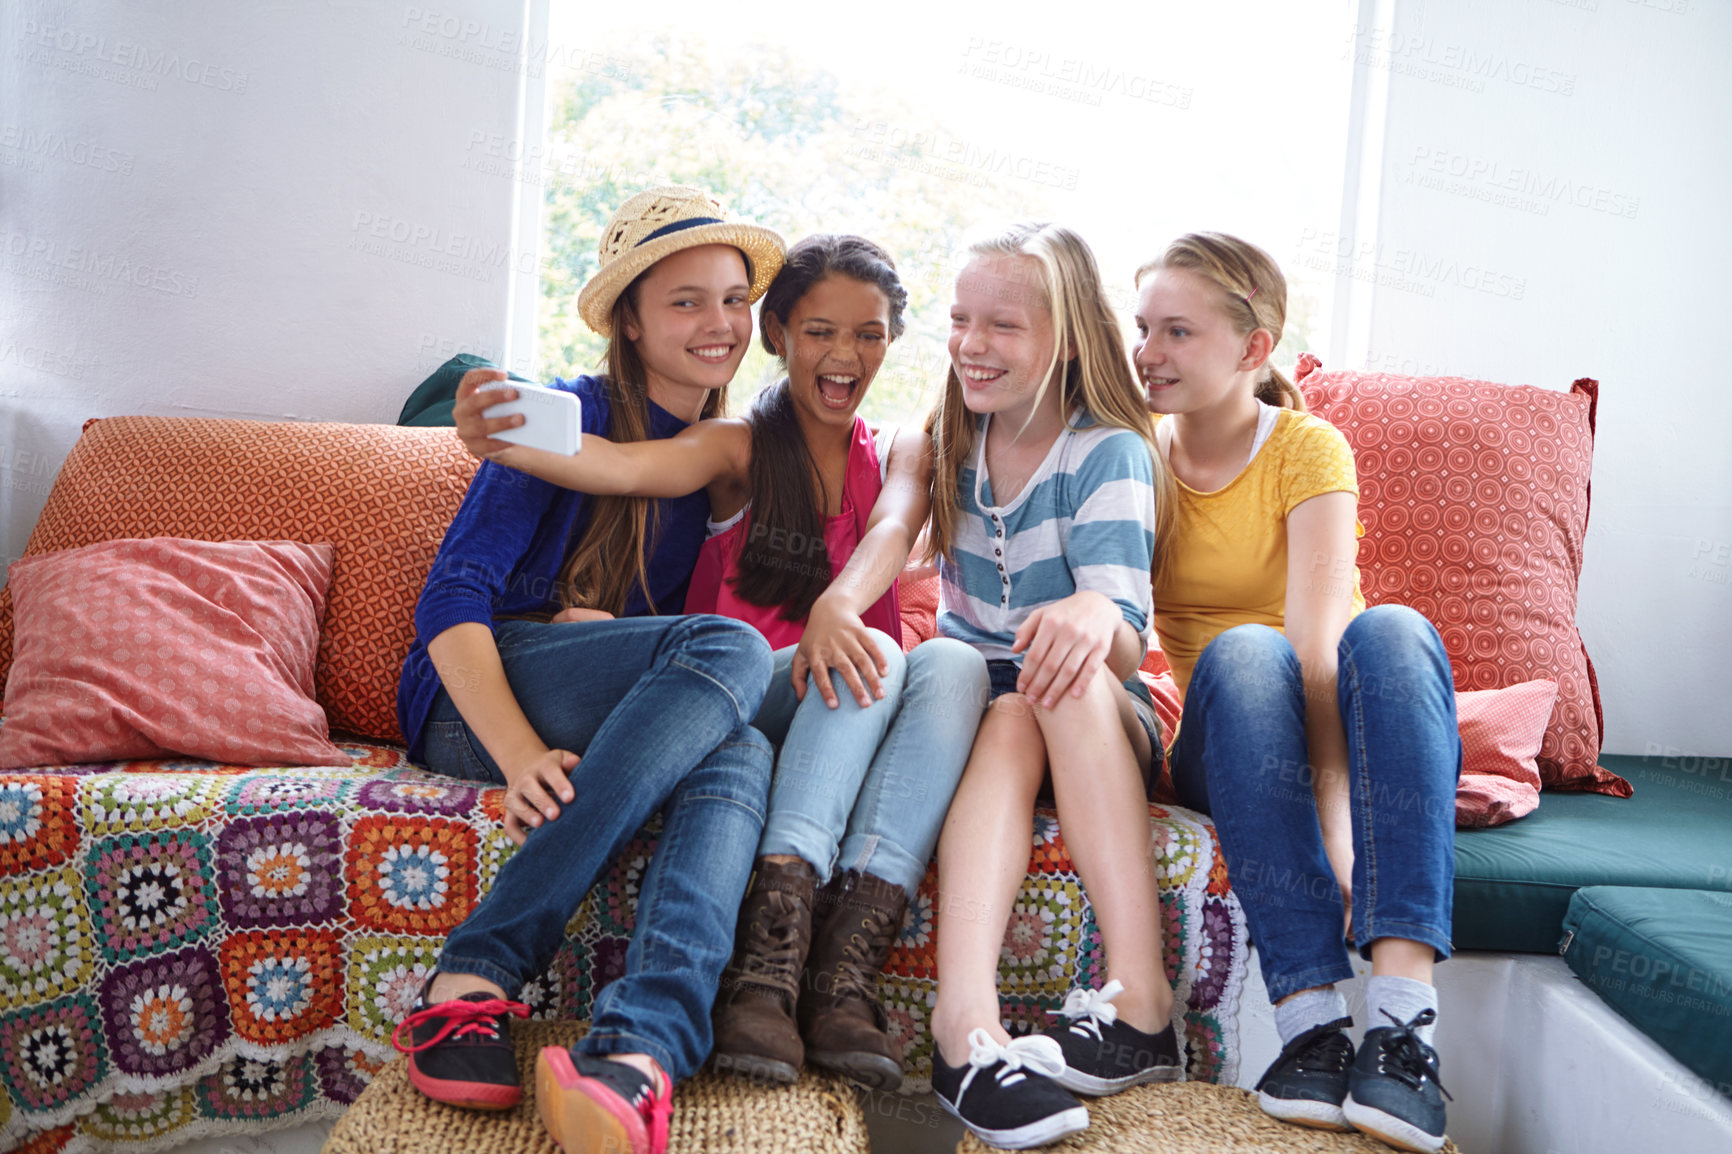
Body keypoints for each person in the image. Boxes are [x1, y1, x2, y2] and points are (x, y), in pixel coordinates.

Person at [456, 234, 989, 1092]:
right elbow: (619, 464)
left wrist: (839, 602)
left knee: (955, 668)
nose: (845, 355)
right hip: (751, 703)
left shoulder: (901, 451)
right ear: (778, 333)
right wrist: (501, 429)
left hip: (855, 698)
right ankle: (772, 961)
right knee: (881, 656)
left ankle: (842, 964)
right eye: (820, 331)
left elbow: (894, 526)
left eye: (870, 333)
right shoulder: (734, 446)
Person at [389, 186, 786, 1154]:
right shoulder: (564, 415)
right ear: (632, 321)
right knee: (730, 652)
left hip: (607, 696)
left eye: (733, 299)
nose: (718, 323)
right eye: (686, 301)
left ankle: (637, 1055)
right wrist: (521, 751)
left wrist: (611, 638)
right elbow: (452, 599)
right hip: (473, 694)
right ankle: (475, 968)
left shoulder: (720, 455)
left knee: (735, 751)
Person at [1135, 232, 1459, 1154]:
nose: (1149, 354)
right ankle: (1312, 1025)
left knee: (1391, 628)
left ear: (1253, 347)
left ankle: (1402, 1030)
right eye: (1143, 328)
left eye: (1177, 333)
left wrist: (1341, 820)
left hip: (1346, 734)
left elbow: (1319, 653)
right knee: (1243, 653)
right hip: (1230, 742)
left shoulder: (1309, 449)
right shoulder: (1136, 457)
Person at [922, 223, 1178, 1150]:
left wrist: (1091, 615)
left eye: (1003, 325)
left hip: (1099, 703)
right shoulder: (951, 436)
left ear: (1065, 338)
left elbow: (1123, 626)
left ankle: (1143, 1004)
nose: (971, 344)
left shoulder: (1106, 449)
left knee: (1052, 676)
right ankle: (969, 1034)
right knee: (1004, 714)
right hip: (997, 712)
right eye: (959, 320)